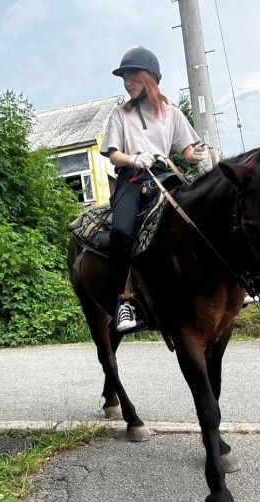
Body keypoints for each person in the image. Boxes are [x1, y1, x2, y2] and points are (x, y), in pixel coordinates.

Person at [101, 46, 208, 332]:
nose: (127, 81)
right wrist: (133, 159)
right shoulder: (119, 114)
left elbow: (186, 150)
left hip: (164, 175)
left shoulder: (171, 113)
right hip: (132, 178)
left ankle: (223, 282)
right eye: (124, 77)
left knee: (201, 214)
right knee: (122, 231)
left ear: (149, 76)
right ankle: (124, 301)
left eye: (132, 75)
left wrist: (196, 154)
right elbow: (113, 155)